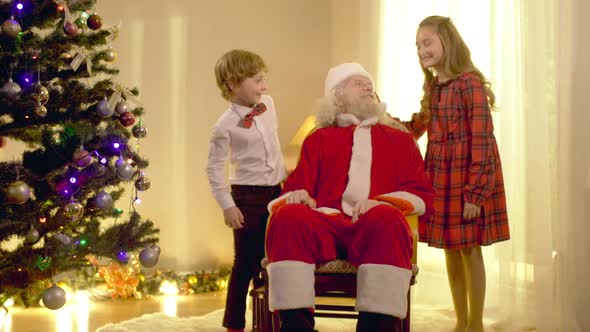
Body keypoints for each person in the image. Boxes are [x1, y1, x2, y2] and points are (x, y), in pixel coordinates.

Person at [265, 62, 434, 332]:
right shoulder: (319, 139)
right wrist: (300, 196)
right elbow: (297, 187)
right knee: (287, 216)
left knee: (387, 218)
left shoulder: (400, 140)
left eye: (370, 85)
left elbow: (420, 192)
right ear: (337, 96)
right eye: (358, 83)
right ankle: (296, 326)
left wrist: (384, 201)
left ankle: (377, 327)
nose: (368, 87)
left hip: (373, 228)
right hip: (325, 225)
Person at [406, 16, 510, 332]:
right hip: (441, 178)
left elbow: (481, 141)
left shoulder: (469, 84)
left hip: (468, 178)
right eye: (418, 44)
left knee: (469, 249)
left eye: (428, 42)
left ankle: (475, 324)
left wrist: (476, 194)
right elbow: (416, 127)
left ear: (446, 43)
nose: (422, 49)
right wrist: (384, 120)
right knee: (451, 248)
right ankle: (461, 321)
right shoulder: (434, 86)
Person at [207, 49, 286, 332]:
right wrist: (228, 206)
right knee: (245, 265)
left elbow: (274, 150)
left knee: (277, 261)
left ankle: (272, 322)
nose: (264, 85)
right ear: (232, 84)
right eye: (256, 79)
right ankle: (235, 325)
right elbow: (214, 169)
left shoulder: (269, 104)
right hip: (247, 197)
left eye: (264, 78)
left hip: (277, 193)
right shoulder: (224, 125)